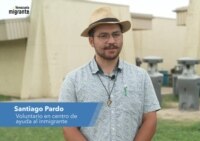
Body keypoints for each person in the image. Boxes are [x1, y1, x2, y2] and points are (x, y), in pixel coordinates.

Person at [59, 7, 161, 141]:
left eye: (116, 34)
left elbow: (150, 120)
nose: (112, 41)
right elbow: (69, 127)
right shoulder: (73, 80)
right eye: (103, 36)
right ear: (91, 41)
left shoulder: (141, 77)